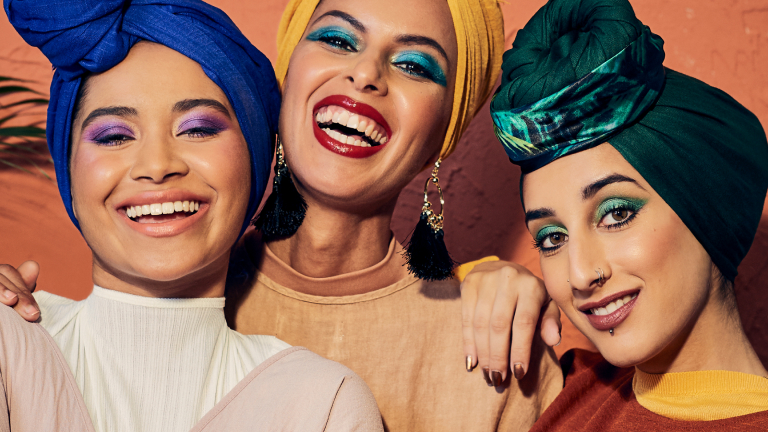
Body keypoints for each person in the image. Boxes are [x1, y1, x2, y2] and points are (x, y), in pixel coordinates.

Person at [2, 0, 565, 429]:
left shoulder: (496, 337)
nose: (367, 75)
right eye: (338, 39)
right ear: (288, 76)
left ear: (448, 130)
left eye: (416, 64)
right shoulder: (173, 264)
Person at [1, 0, 383, 431]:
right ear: (69, 168)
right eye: (113, 136)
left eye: (198, 129)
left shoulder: (322, 403)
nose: (158, 164)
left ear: (257, 157)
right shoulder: (6, 345)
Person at [488, 0, 768, 429]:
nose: (580, 275)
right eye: (552, 238)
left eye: (616, 213)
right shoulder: (558, 390)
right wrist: (471, 285)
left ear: (705, 207)